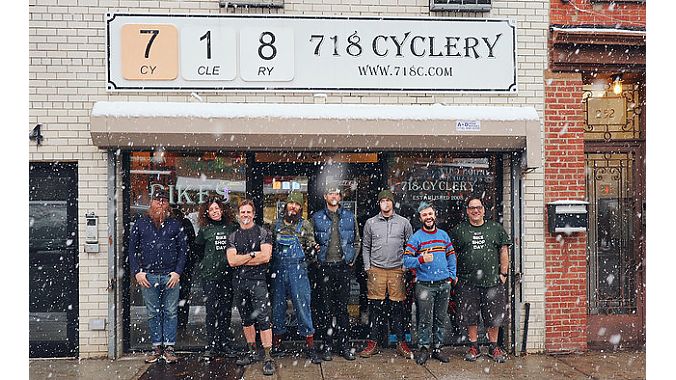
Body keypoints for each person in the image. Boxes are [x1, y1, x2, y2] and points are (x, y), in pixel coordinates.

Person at [128, 189, 188, 364]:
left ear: (167, 204)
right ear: (151, 203)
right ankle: (156, 348)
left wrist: (177, 272)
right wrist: (137, 272)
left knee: (170, 312)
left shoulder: (175, 224)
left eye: (163, 200)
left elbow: (183, 250)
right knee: (153, 313)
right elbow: (132, 250)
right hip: (148, 277)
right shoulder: (140, 223)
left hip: (171, 276)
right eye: (157, 200)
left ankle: (169, 348)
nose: (160, 203)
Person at [452, 197, 511, 363]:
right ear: (467, 211)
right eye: (472, 208)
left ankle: (494, 347)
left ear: (484, 210)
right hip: (466, 281)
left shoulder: (495, 228)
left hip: (492, 281)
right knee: (470, 316)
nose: (475, 211)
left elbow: (504, 251)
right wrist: (454, 275)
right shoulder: (459, 230)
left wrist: (503, 274)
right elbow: (452, 254)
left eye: (478, 207)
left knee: (494, 316)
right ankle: (474, 346)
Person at [358, 189, 414, 359]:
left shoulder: (404, 223)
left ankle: (401, 342)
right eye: (382, 201)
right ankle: (373, 342)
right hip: (376, 269)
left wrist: (405, 265)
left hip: (397, 270)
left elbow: (410, 246)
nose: (386, 203)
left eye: (388, 200)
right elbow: (365, 246)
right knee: (375, 308)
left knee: (398, 309)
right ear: (379, 203)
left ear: (392, 203)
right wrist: (368, 266)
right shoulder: (371, 223)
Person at [270, 192, 322, 364]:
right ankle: (276, 344)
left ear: (301, 208)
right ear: (286, 206)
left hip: (298, 271)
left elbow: (311, 249)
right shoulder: (275, 225)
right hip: (278, 270)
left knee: (302, 307)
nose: (293, 207)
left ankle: (310, 346)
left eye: (297, 204)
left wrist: (314, 249)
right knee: (277, 307)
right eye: (290, 203)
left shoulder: (305, 225)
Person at [311, 182, 361, 361]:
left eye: (336, 194)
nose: (333, 196)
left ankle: (345, 345)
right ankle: (327, 345)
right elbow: (311, 242)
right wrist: (316, 260)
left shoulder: (348, 216)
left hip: (343, 267)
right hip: (324, 268)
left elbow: (357, 241)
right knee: (325, 309)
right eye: (330, 193)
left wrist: (351, 261)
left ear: (340, 197)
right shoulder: (316, 217)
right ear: (325, 196)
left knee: (342, 310)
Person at [226, 199, 276, 376]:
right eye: (243, 212)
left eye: (249, 212)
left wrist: (243, 258)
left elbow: (266, 257)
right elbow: (232, 261)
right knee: (246, 319)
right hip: (239, 282)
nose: (246, 215)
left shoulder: (263, 233)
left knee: (263, 319)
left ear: (253, 214)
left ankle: (268, 357)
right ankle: (252, 351)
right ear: (239, 214)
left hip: (258, 282)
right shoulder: (233, 236)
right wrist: (253, 254)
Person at [403, 202, 456, 365]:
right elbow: (406, 260)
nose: (428, 217)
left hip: (443, 284)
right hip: (425, 285)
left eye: (430, 214)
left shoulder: (443, 235)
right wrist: (420, 259)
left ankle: (438, 349)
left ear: (435, 215)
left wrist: (452, 275)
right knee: (425, 320)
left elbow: (451, 255)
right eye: (425, 215)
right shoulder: (416, 237)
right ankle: (424, 349)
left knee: (440, 318)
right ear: (420, 218)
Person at [194, 196, 237, 360]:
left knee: (225, 311)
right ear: (207, 212)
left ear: (222, 210)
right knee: (211, 311)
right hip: (210, 277)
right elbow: (198, 250)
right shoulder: (205, 229)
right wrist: (206, 264)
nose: (215, 212)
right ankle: (211, 345)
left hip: (227, 276)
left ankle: (224, 343)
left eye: (217, 209)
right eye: (211, 210)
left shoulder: (232, 228)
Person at [172, 206, 198, 331]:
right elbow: (192, 246)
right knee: (182, 297)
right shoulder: (184, 223)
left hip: (181, 267)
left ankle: (179, 326)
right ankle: (180, 325)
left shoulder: (183, 224)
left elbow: (192, 246)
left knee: (179, 297)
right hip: (182, 267)